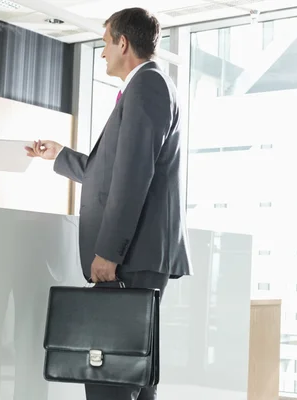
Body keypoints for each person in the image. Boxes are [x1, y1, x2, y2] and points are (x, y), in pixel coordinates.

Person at [26, 7, 192, 400]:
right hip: (139, 253)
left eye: (104, 42)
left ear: (123, 43)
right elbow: (114, 172)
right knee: (132, 372)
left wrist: (108, 251)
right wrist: (61, 155)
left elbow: (134, 177)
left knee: (109, 378)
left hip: (132, 255)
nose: (101, 53)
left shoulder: (147, 86)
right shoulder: (147, 87)